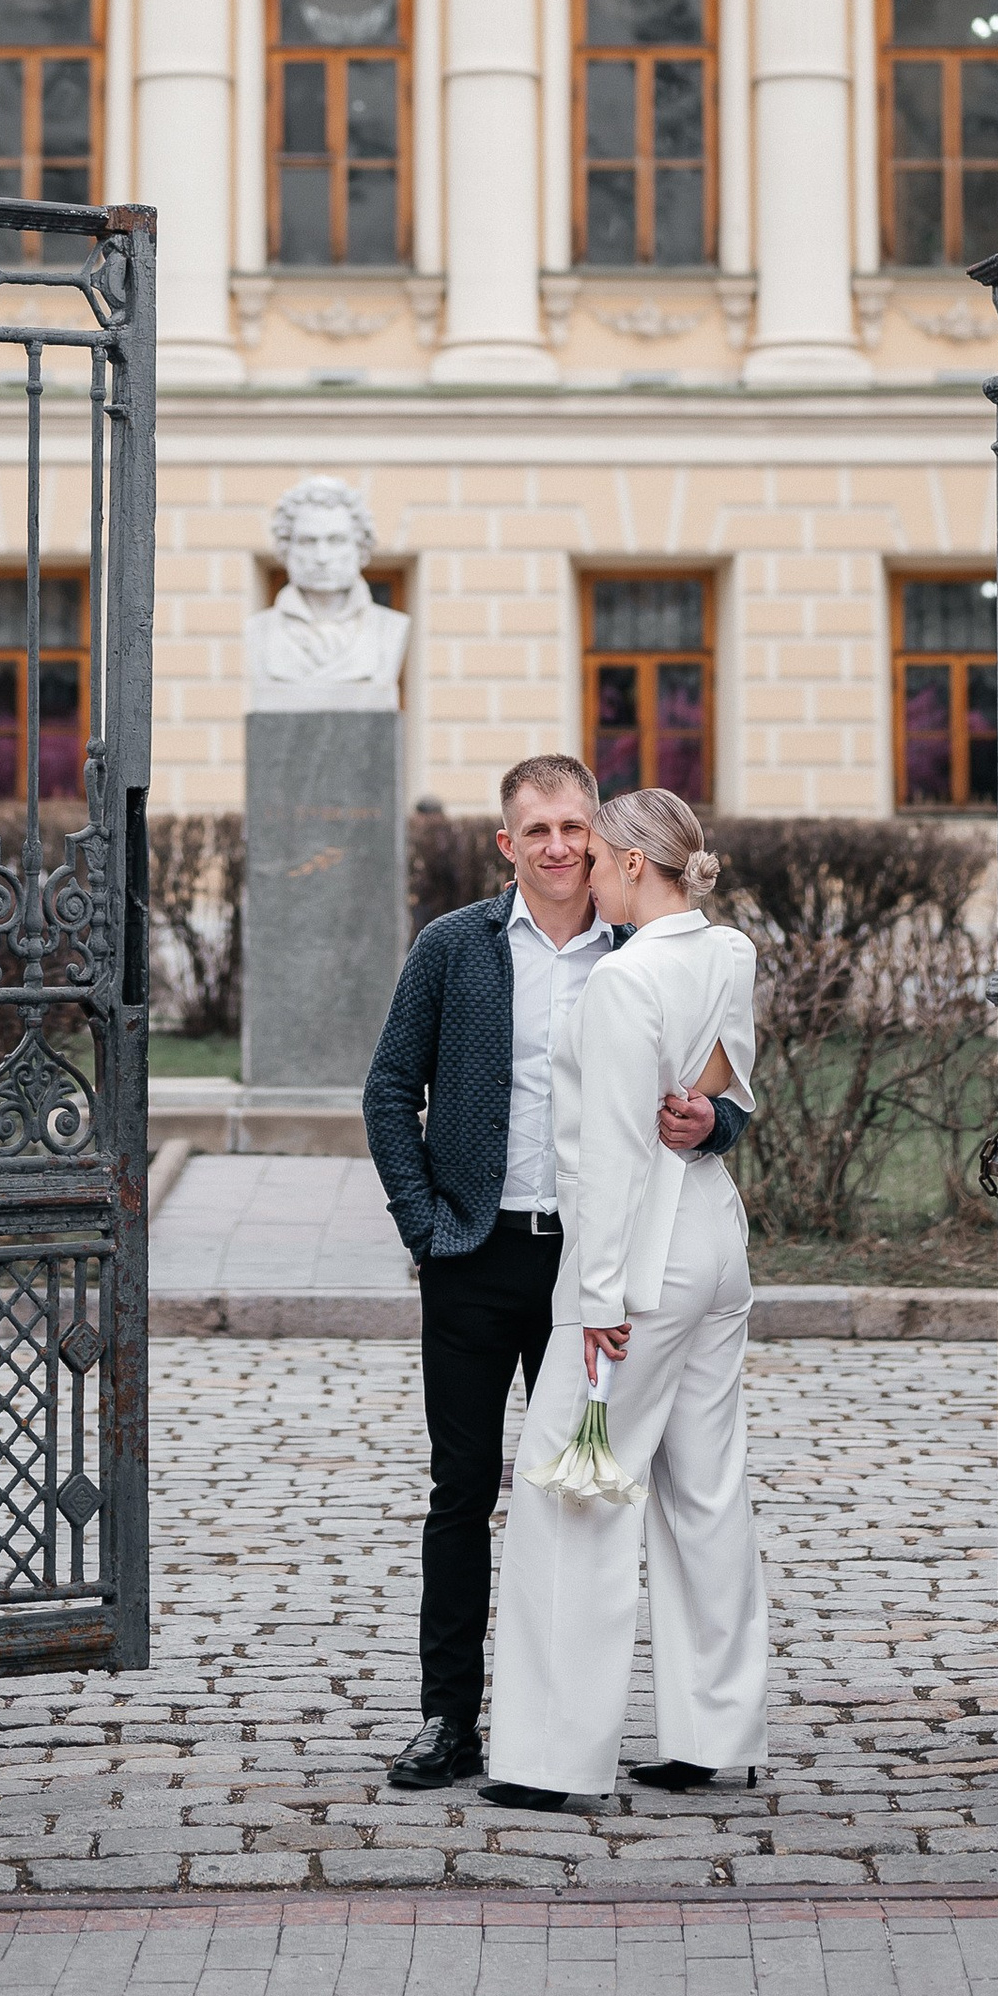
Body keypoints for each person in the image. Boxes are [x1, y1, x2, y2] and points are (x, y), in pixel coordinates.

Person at [361, 753, 751, 1794]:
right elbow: (390, 1089)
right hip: (478, 1253)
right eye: (537, 829)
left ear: (606, 842)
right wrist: (426, 1225)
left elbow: (725, 1084)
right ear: (507, 843)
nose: (559, 845)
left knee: (589, 1490)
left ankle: (583, 1735)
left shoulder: (643, 947)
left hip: (600, 1271)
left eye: (576, 825)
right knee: (460, 1490)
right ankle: (449, 1720)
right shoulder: (456, 947)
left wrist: (717, 1121)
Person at [480, 782, 769, 1809]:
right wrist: (705, 1113)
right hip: (715, 1245)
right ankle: (715, 1732)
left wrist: (594, 1297)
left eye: (596, 857)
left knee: (570, 1494)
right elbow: (730, 1091)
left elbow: (605, 1159)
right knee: (704, 1488)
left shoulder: (618, 981)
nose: (585, 872)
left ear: (633, 864)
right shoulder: (726, 952)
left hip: (636, 1264)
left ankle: (550, 1758)